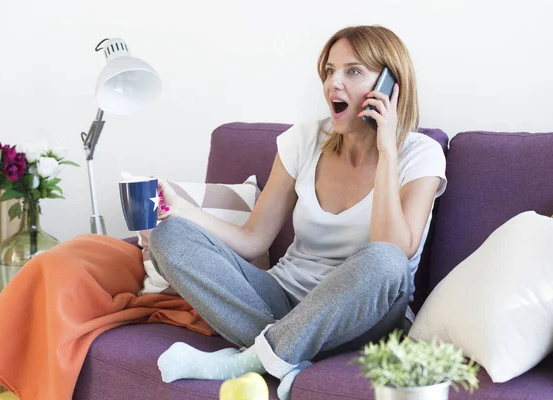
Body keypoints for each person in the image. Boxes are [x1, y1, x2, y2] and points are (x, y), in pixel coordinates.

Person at [151, 25, 447, 399]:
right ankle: (288, 355)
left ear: (390, 85)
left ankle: (249, 361)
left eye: (353, 71)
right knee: (170, 236)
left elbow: (394, 248)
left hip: (367, 317)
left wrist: (387, 149)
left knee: (386, 260)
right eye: (329, 71)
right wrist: (181, 211)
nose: (333, 83)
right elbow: (253, 238)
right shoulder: (304, 140)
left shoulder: (419, 154)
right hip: (284, 296)